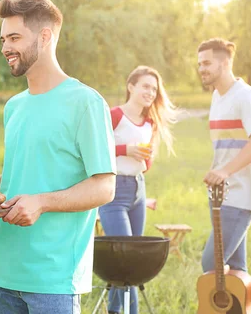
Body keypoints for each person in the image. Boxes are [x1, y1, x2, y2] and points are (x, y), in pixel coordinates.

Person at [0, 0, 117, 314]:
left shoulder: (85, 103)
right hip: (2, 268)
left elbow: (104, 186)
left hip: (52, 277)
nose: (6, 47)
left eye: (15, 38)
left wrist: (42, 202)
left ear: (45, 36)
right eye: (4, 39)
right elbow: (18, 174)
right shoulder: (14, 107)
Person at [99, 65, 178, 314]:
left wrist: (147, 157)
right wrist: (125, 150)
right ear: (130, 86)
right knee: (127, 260)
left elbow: (144, 165)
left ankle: (114, 310)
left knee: (133, 258)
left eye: (154, 89)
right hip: (114, 190)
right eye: (145, 86)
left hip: (137, 190)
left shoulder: (149, 123)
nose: (150, 92)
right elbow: (94, 150)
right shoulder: (114, 116)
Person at [197, 38, 251, 274]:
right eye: (199, 64)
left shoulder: (247, 97)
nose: (202, 69)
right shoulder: (218, 97)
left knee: (211, 265)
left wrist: (224, 171)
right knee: (236, 272)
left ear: (225, 63)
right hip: (220, 194)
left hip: (240, 195)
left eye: (207, 63)